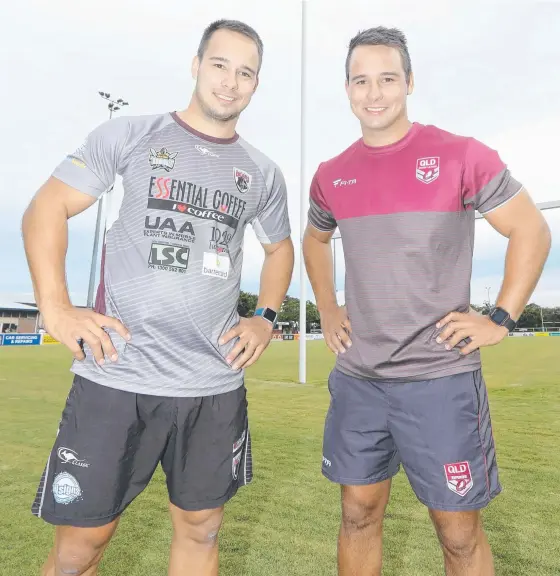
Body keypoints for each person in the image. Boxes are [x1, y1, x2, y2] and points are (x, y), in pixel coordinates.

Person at [22, 19, 294, 576]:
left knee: (201, 530)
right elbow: (45, 208)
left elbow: (280, 249)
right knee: (81, 544)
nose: (230, 81)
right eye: (219, 65)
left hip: (212, 384)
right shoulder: (131, 134)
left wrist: (265, 316)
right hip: (117, 375)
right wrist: (55, 306)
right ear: (196, 65)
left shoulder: (263, 172)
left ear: (256, 84)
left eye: (245, 72)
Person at [302, 27, 551, 576]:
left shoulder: (460, 155)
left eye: (387, 78)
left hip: (440, 379)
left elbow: (531, 229)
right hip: (359, 380)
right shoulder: (331, 175)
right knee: (358, 513)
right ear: (346, 89)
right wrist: (329, 305)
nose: (374, 93)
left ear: (409, 82)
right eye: (360, 80)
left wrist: (500, 318)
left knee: (458, 532)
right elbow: (314, 240)